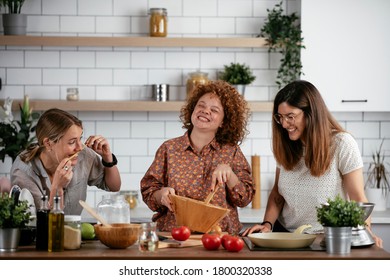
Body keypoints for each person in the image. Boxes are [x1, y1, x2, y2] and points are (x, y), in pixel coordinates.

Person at [241, 80, 383, 248]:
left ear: (311, 113)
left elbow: (358, 199)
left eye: (291, 116)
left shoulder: (342, 144)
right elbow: (277, 195)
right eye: (280, 117)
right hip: (285, 236)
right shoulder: (286, 146)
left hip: (326, 238)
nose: (285, 124)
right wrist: (267, 225)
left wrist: (365, 235)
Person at [141, 80, 254, 234]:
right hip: (175, 237)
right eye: (201, 105)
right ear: (193, 109)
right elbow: (149, 190)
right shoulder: (168, 149)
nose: (205, 111)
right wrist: (161, 195)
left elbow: (245, 198)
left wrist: (230, 175)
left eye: (214, 110)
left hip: (220, 237)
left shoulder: (231, 152)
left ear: (223, 122)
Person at [10, 108, 121, 215]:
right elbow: (43, 225)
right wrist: (57, 187)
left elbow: (113, 187)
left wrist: (107, 157)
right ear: (48, 143)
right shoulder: (23, 171)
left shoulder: (83, 154)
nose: (79, 147)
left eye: (80, 138)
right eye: (72, 142)